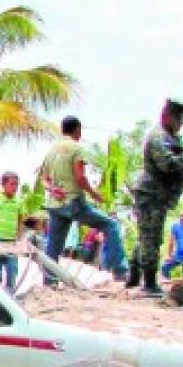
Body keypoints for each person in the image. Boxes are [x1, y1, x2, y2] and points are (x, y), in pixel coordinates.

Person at [37, 115, 129, 283]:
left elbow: (43, 179)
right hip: (73, 201)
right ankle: (120, 271)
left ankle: (49, 281)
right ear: (77, 130)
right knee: (110, 225)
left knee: (54, 245)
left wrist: (52, 189)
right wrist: (94, 194)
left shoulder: (52, 149)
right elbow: (80, 177)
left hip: (55, 204)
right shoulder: (77, 148)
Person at [128, 100, 183, 296]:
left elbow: (180, 164)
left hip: (158, 195)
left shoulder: (170, 137)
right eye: (179, 119)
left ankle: (134, 275)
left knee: (148, 235)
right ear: (167, 115)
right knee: (150, 238)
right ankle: (149, 283)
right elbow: (168, 165)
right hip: (151, 194)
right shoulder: (158, 137)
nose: (181, 123)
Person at [0, 171, 24, 291]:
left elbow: (20, 221)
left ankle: (10, 298)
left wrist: (19, 239)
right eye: (12, 184)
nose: (15, 187)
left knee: (12, 271)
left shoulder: (19, 202)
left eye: (17, 185)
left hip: (11, 242)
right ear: (4, 184)